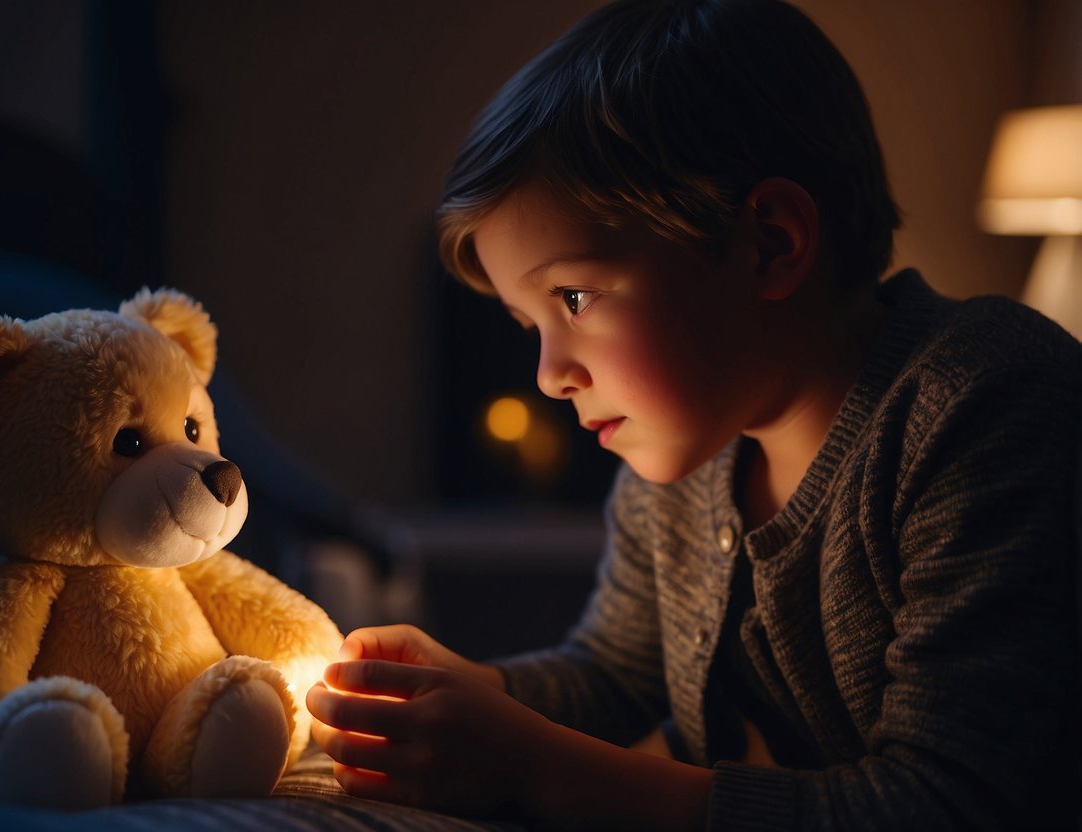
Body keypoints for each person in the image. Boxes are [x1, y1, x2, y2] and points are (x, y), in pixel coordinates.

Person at [306, 0, 1082, 828]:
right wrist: (478, 693)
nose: (548, 377)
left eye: (573, 296)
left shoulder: (983, 402)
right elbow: (614, 672)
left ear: (770, 244)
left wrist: (533, 768)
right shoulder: (687, 461)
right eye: (529, 326)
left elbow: (947, 804)